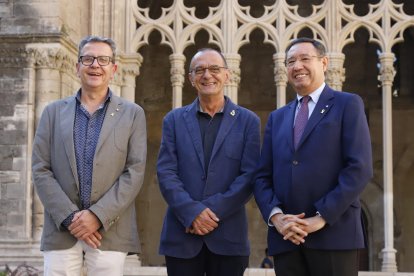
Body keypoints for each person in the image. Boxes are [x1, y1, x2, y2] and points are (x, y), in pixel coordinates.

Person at [254, 37, 373, 276]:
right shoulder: (277, 118)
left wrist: (320, 218)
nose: (297, 66)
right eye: (290, 62)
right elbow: (262, 177)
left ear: (325, 63)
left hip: (333, 236)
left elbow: (359, 168)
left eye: (305, 59)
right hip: (286, 239)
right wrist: (277, 218)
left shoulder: (347, 104)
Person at [32, 35, 147, 275]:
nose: (95, 65)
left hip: (110, 230)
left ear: (114, 69)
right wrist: (71, 218)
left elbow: (134, 172)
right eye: (88, 59)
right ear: (77, 67)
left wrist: (97, 216)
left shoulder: (133, 114)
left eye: (103, 60)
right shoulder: (53, 112)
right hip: (62, 230)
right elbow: (41, 169)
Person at [156, 48, 261, 276]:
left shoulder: (248, 121)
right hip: (182, 236)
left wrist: (210, 212)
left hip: (228, 238)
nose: (207, 75)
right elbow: (166, 173)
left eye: (214, 69)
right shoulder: (173, 120)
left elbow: (249, 176)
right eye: (199, 70)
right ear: (191, 78)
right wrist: (192, 213)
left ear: (227, 75)